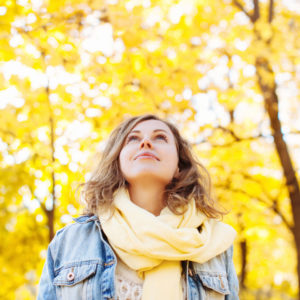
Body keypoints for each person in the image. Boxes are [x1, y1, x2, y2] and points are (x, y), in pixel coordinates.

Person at [38, 114, 239, 300]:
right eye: (133, 139)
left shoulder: (214, 244)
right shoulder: (71, 241)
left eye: (161, 137)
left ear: (179, 165)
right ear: (118, 159)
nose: (146, 142)